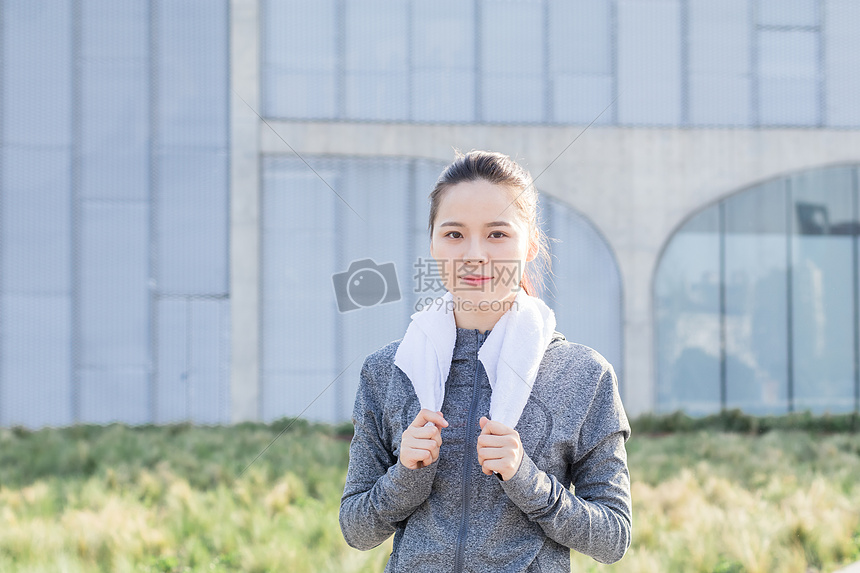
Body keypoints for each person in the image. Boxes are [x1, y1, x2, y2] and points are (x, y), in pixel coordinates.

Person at [339, 150, 632, 572]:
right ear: (433, 243)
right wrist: (406, 473)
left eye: (497, 234)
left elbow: (614, 537)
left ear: (530, 243)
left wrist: (527, 480)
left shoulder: (584, 376)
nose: (474, 254)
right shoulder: (389, 370)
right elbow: (356, 529)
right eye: (454, 234)